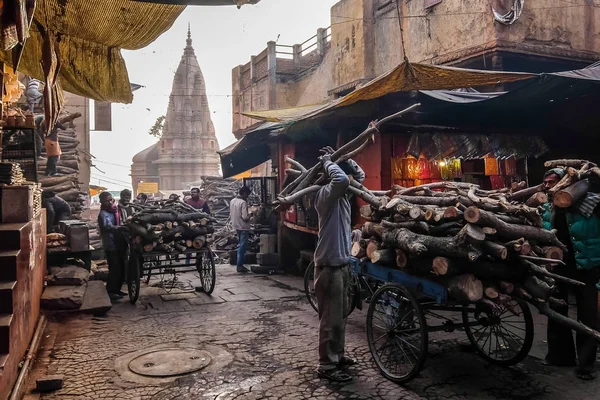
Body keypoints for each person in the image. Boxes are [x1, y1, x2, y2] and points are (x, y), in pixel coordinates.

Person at [541, 168, 600, 380]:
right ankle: (559, 356)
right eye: (546, 182)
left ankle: (586, 364)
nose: (548, 186)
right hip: (558, 264)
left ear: (567, 183)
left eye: (552, 182)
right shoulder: (546, 206)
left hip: (585, 265)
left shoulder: (591, 203)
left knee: (587, 313)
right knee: (557, 308)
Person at [313, 146, 365, 382]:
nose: (353, 181)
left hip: (342, 264)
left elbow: (358, 176)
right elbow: (342, 178)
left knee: (340, 316)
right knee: (330, 319)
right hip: (329, 266)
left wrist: (346, 157)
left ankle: (338, 356)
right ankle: (327, 365)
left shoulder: (342, 196)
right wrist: (327, 161)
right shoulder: (325, 195)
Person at [98, 192, 127, 301]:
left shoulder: (115, 211)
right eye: (107, 201)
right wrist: (120, 228)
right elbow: (108, 226)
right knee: (114, 268)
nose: (110, 202)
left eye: (111, 200)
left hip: (118, 243)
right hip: (110, 244)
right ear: (102, 202)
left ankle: (117, 290)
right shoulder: (103, 213)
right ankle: (110, 291)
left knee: (121, 268)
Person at [230, 186, 252, 273]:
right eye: (247, 195)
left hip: (236, 225)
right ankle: (240, 266)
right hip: (243, 227)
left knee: (240, 245)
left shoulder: (232, 201)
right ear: (244, 193)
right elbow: (245, 217)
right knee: (242, 247)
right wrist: (251, 214)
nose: (247, 197)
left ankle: (240, 264)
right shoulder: (243, 202)